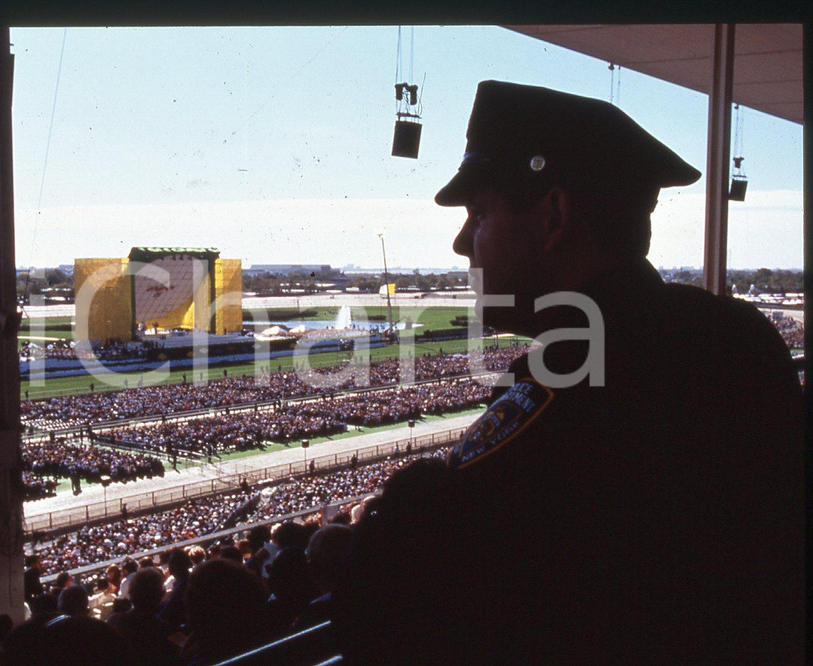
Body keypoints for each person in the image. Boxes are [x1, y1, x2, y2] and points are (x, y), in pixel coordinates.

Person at [334, 80, 803, 663]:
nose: (461, 242)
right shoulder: (733, 333)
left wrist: (399, 506)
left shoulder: (570, 388)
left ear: (553, 216)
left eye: (479, 212)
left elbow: (383, 603)